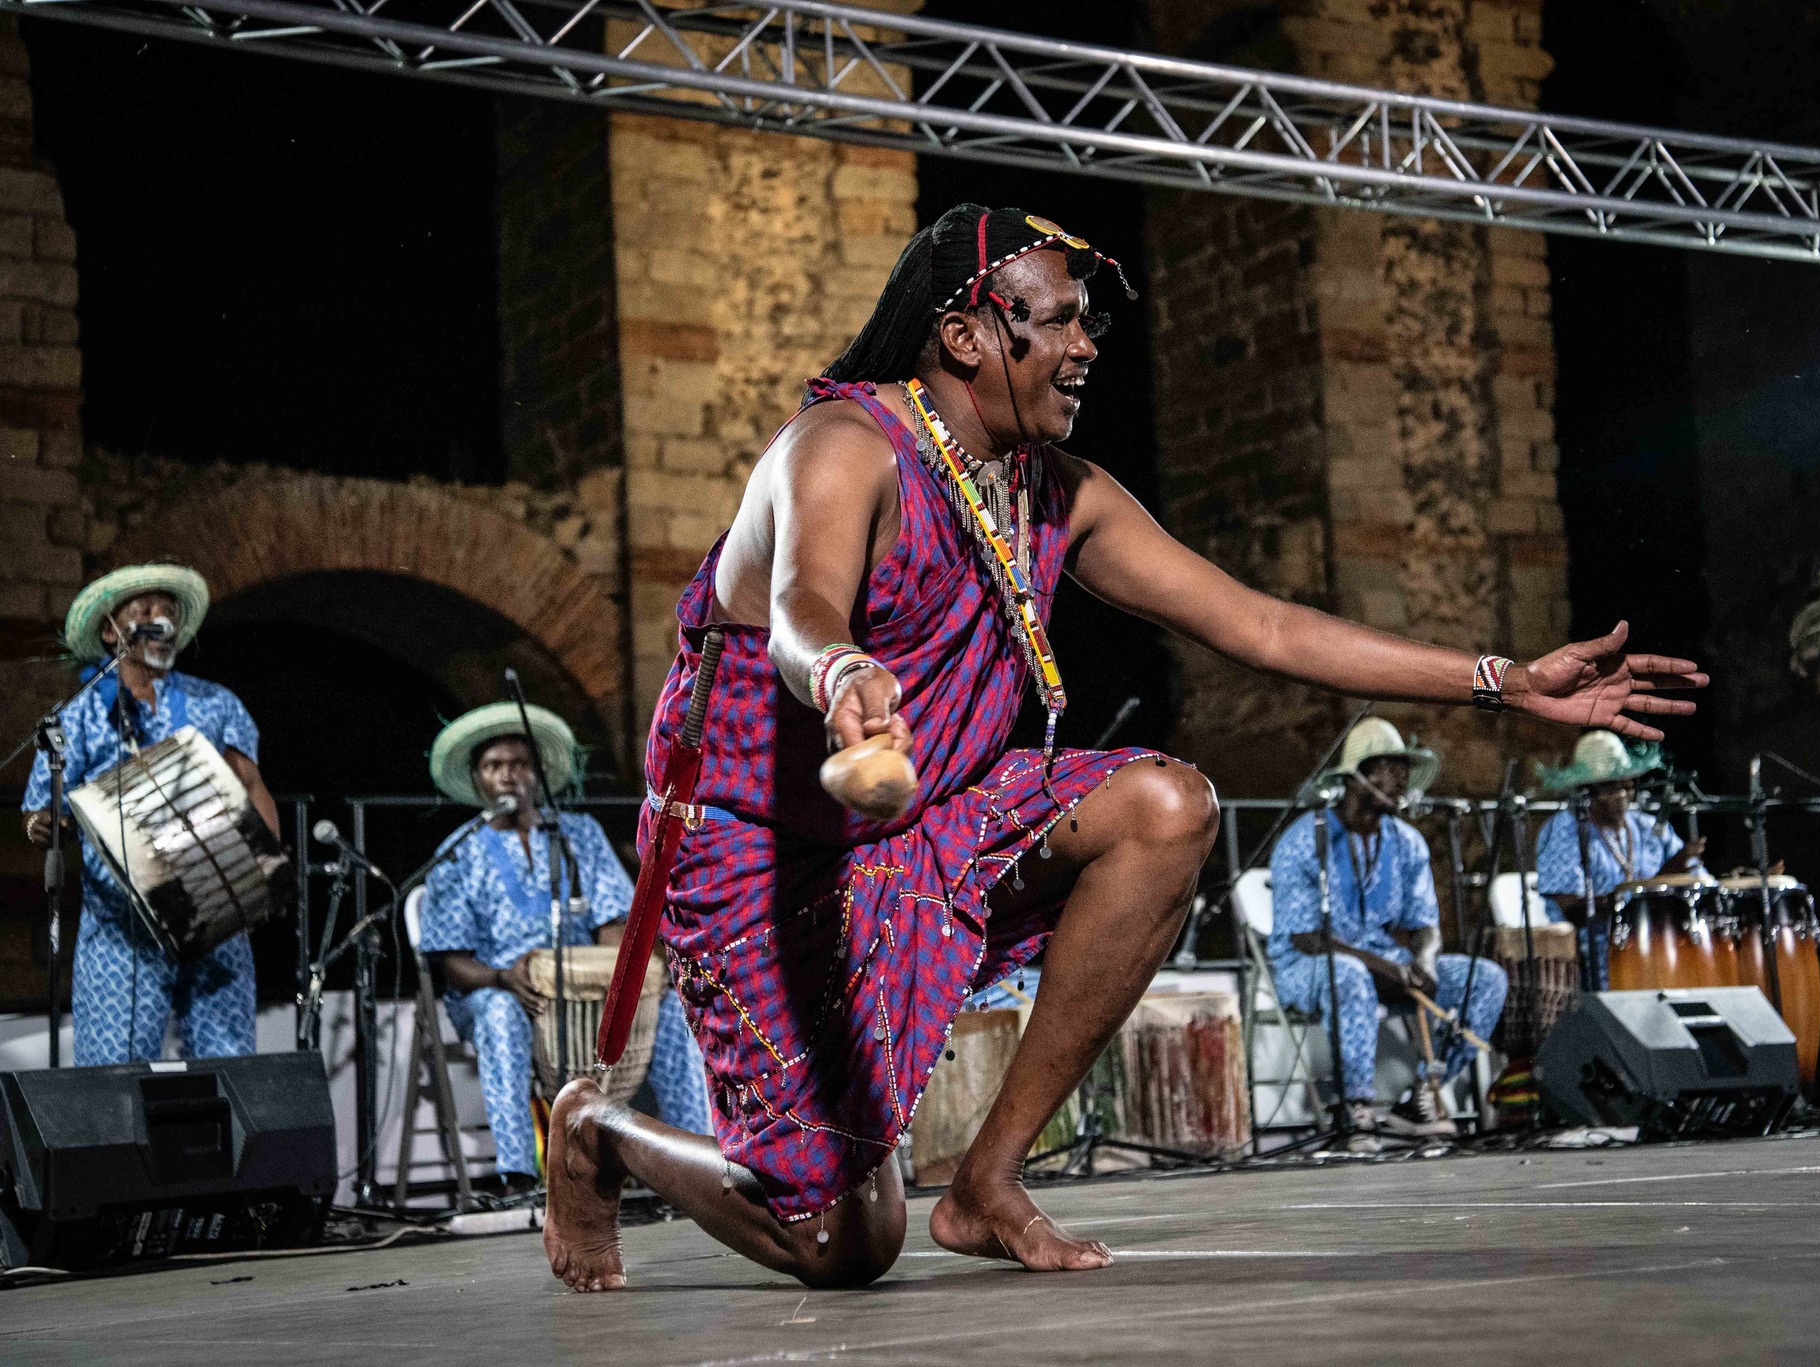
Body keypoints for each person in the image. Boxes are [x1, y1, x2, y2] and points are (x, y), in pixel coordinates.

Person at [542, 204, 1705, 1292]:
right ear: (964, 332)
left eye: (1085, 321)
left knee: (1166, 805)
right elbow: (800, 605)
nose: (1087, 344)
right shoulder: (843, 444)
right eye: (1057, 319)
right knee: (845, 1242)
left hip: (926, 812)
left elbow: (1261, 624)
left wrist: (1501, 680)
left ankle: (989, 1180)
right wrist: (842, 671)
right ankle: (599, 1128)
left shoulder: (1062, 493)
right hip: (753, 842)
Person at [417, 703, 710, 1193]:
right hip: (502, 991)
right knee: (497, 1014)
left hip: (584, 990)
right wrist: (501, 978)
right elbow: (451, 962)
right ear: (476, 779)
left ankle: (695, 1162)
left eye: (519, 764)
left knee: (670, 1006)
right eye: (493, 766)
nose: (508, 776)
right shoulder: (457, 853)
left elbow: (616, 925)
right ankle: (519, 1175)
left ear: (540, 773)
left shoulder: (580, 836)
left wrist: (610, 979)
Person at [20, 563, 279, 1065]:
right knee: (115, 1075)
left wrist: (265, 874)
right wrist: (44, 824)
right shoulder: (77, 714)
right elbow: (36, 809)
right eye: (142, 611)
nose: (159, 619)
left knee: (228, 1068)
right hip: (123, 931)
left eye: (168, 612)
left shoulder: (216, 703)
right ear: (108, 629)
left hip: (215, 910)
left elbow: (251, 786)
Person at [1267, 717, 1507, 1137]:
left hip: (1383, 963)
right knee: (1349, 975)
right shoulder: (1307, 839)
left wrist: (1426, 962)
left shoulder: (1406, 841)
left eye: (1404, 770)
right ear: (1358, 777)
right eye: (1390, 769)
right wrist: (1383, 967)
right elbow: (1307, 938)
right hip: (1309, 967)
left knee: (1484, 979)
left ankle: (1421, 1095)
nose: (1402, 781)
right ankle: (1356, 1107)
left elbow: (1425, 924)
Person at [1534, 729, 1704, 988]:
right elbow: (1573, 909)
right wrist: (1652, 887)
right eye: (1612, 787)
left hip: (1656, 943)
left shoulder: (1647, 827)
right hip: (1594, 957)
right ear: (1586, 791)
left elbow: (1698, 879)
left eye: (1628, 784)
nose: (1624, 794)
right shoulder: (1565, 831)